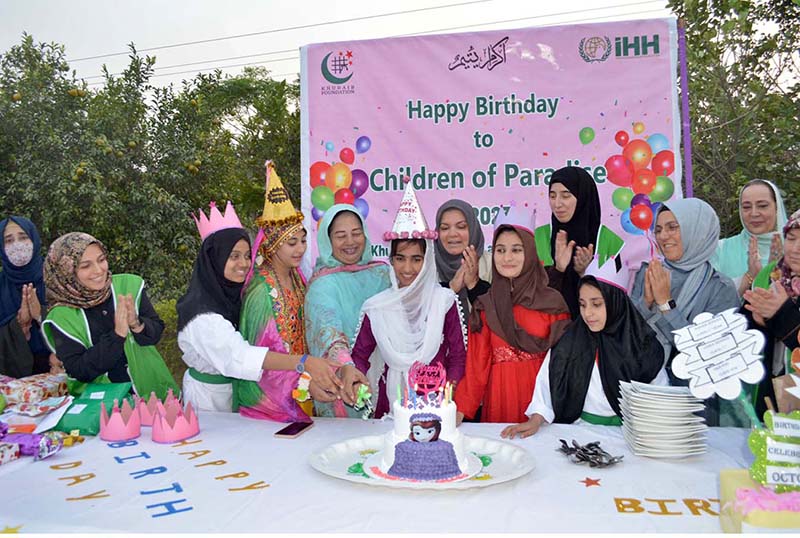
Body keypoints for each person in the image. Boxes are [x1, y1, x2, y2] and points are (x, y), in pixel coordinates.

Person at [177, 201, 342, 414]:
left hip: (236, 390)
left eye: (246, 256)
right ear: (214, 260)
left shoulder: (228, 296)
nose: (244, 264)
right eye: (233, 256)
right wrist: (303, 363)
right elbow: (240, 356)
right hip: (208, 398)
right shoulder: (202, 315)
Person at [501, 272, 666, 439]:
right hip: (579, 433)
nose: (588, 313)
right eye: (582, 304)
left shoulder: (643, 346)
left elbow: (661, 397)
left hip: (631, 436)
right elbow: (546, 385)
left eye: (596, 304)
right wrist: (536, 419)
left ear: (615, 302)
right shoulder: (569, 342)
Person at [352, 183, 466, 418]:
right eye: (400, 258)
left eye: (416, 259)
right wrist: (356, 381)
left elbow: (457, 355)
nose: (407, 268)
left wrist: (448, 391)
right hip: (390, 403)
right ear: (391, 260)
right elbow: (360, 356)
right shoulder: (377, 307)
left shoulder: (443, 301)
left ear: (427, 262)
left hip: (437, 403)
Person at [630, 198, 739, 425]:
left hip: (695, 400)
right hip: (646, 389)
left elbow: (709, 354)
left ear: (697, 231)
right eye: (658, 229)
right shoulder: (649, 273)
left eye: (673, 227)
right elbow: (627, 336)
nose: (663, 236)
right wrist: (645, 303)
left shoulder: (719, 287)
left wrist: (666, 305)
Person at [455, 216, 571, 424]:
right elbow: (476, 369)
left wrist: (545, 411)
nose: (507, 258)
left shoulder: (553, 304)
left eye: (516, 250)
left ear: (530, 253)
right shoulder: (486, 306)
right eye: (500, 250)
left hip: (542, 403)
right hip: (500, 400)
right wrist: (458, 413)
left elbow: (563, 365)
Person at [41, 232, 178, 398]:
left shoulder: (129, 285)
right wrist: (117, 336)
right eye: (85, 266)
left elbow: (154, 335)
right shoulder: (61, 316)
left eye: (101, 260)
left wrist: (136, 324)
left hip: (153, 394)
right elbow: (79, 370)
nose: (98, 270)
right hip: (104, 408)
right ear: (65, 271)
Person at [238, 162, 316, 421]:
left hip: (304, 386)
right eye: (291, 243)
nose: (300, 249)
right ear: (271, 245)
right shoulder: (261, 294)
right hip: (271, 401)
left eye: (303, 241)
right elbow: (259, 358)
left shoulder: (298, 279)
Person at [305, 204, 390, 417]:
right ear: (328, 240)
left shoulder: (382, 273)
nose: (350, 242)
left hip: (389, 381)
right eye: (341, 236)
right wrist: (347, 368)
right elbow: (329, 335)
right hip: (347, 383)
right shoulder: (323, 285)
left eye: (356, 233)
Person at [742, 208, 800, 420]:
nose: (796, 248)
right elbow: (747, 331)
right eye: (791, 239)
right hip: (770, 381)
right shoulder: (770, 275)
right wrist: (759, 322)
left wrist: (782, 313)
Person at [540, 166, 602, 318]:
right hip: (552, 335)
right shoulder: (539, 238)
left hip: (597, 336)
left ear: (582, 197)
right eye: (552, 196)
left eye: (566, 195)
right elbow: (535, 300)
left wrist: (585, 273)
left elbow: (616, 304)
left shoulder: (607, 240)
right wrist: (558, 270)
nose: (557, 204)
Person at [712, 179, 788, 297]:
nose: (754, 213)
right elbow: (711, 301)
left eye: (762, 206)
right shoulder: (720, 250)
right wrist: (749, 276)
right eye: (746, 207)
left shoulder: (794, 248)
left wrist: (775, 273)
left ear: (777, 207)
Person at [0, 216, 50, 377]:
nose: (17, 245)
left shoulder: (56, 277)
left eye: (23, 237)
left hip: (61, 366)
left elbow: (79, 321)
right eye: (8, 240)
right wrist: (19, 325)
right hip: (15, 379)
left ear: (34, 239)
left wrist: (41, 314)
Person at [434, 200, 492, 315]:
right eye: (445, 228)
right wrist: (450, 289)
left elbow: (500, 316)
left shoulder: (492, 264)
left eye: (461, 227)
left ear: (473, 229)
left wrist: (475, 285)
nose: (452, 234)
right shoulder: (427, 266)